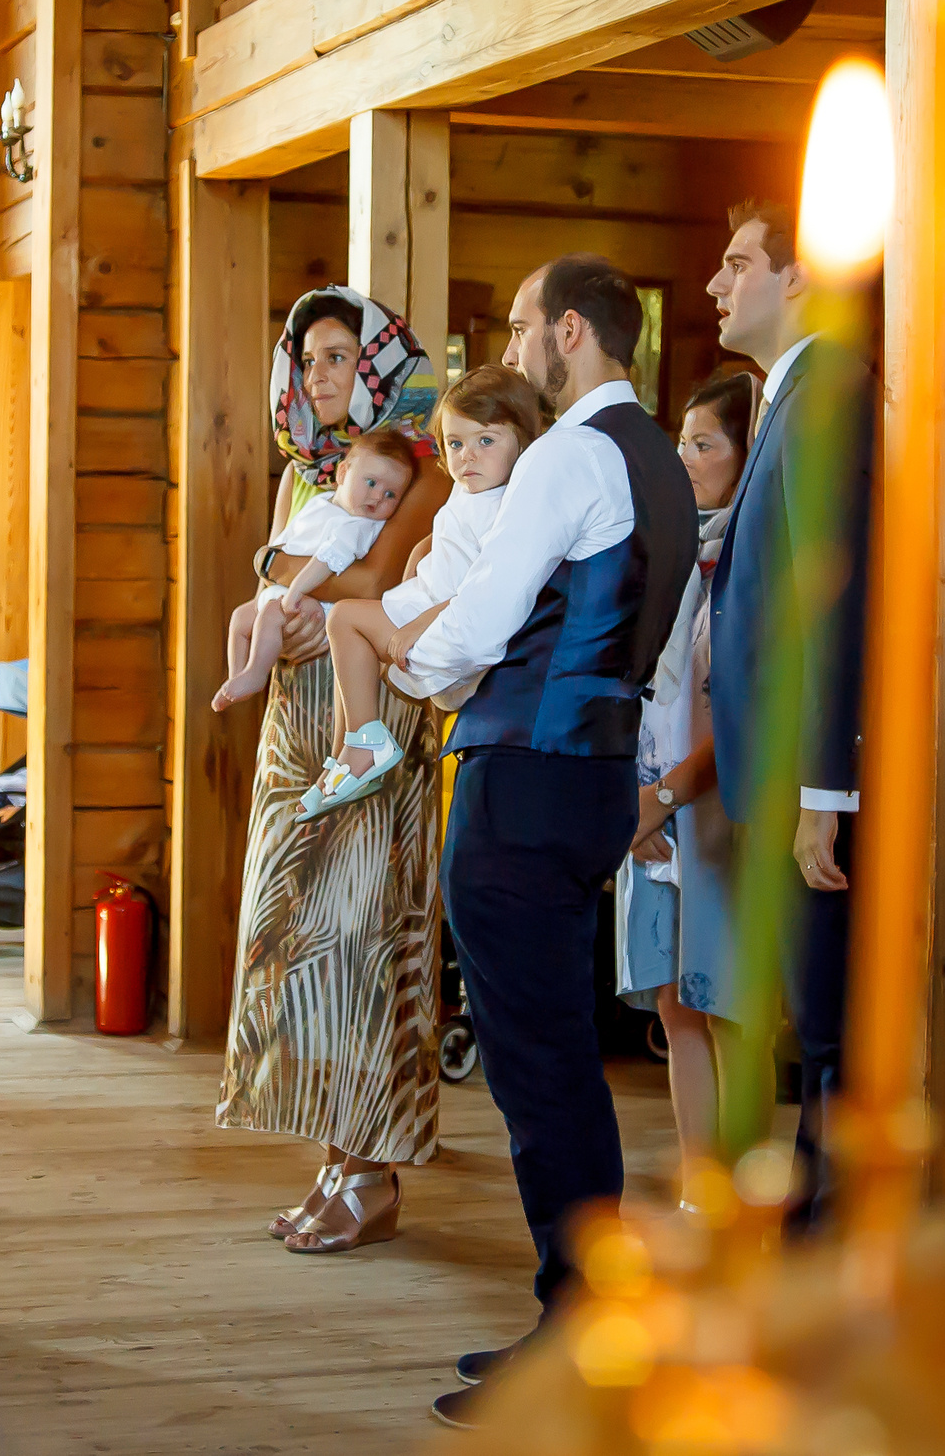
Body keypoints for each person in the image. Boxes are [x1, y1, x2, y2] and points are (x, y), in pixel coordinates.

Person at [413, 257, 698, 1429]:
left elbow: (475, 625)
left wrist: (399, 658)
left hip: (522, 784)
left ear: (568, 330)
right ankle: (581, 1310)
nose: (514, 345)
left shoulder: (567, 456)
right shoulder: (663, 462)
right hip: (595, 779)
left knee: (538, 1072)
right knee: (563, 1060)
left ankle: (579, 1330)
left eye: (523, 326)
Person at [216, 285, 451, 1256]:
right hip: (292, 723)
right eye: (307, 357)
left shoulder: (423, 468)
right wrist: (291, 600)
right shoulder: (301, 472)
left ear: (381, 365)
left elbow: (382, 581)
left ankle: (372, 1169)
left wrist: (302, 597)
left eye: (338, 356)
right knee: (295, 940)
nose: (316, 374)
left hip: (371, 710)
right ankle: (331, 1155)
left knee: (362, 935)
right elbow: (274, 573)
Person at [702, 200, 874, 1233]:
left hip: (810, 778)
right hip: (768, 771)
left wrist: (823, 789)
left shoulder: (831, 394)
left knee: (832, 1029)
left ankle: (830, 1258)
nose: (718, 287)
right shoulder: (787, 393)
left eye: (736, 265)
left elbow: (835, 605)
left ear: (800, 276)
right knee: (808, 1023)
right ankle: (804, 1239)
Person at [615, 370, 758, 1182]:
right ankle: (705, 1190)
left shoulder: (748, 558)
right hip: (653, 800)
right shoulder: (670, 547)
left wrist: (661, 798)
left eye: (705, 443)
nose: (687, 458)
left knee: (730, 1005)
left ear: (746, 455)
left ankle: (747, 1193)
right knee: (676, 1007)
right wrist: (637, 803)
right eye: (682, 441)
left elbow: (742, 712)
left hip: (713, 807)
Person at [308, 366, 546, 813]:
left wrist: (421, 620)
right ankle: (347, 753)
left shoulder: (507, 507)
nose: (467, 457)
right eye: (455, 444)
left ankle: (360, 748)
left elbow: (483, 588)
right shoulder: (472, 487)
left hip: (439, 615)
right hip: (424, 595)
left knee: (345, 619)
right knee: (357, 662)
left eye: (485, 441)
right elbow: (450, 537)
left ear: (523, 443)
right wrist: (422, 551)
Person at [212, 428, 419, 710]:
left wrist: (293, 589)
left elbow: (326, 561)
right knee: (240, 618)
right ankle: (238, 674)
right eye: (371, 482)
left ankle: (256, 674)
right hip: (283, 590)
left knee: (271, 614)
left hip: (316, 602)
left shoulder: (355, 526)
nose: (378, 497)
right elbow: (283, 545)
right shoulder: (321, 502)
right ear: (343, 474)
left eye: (391, 494)